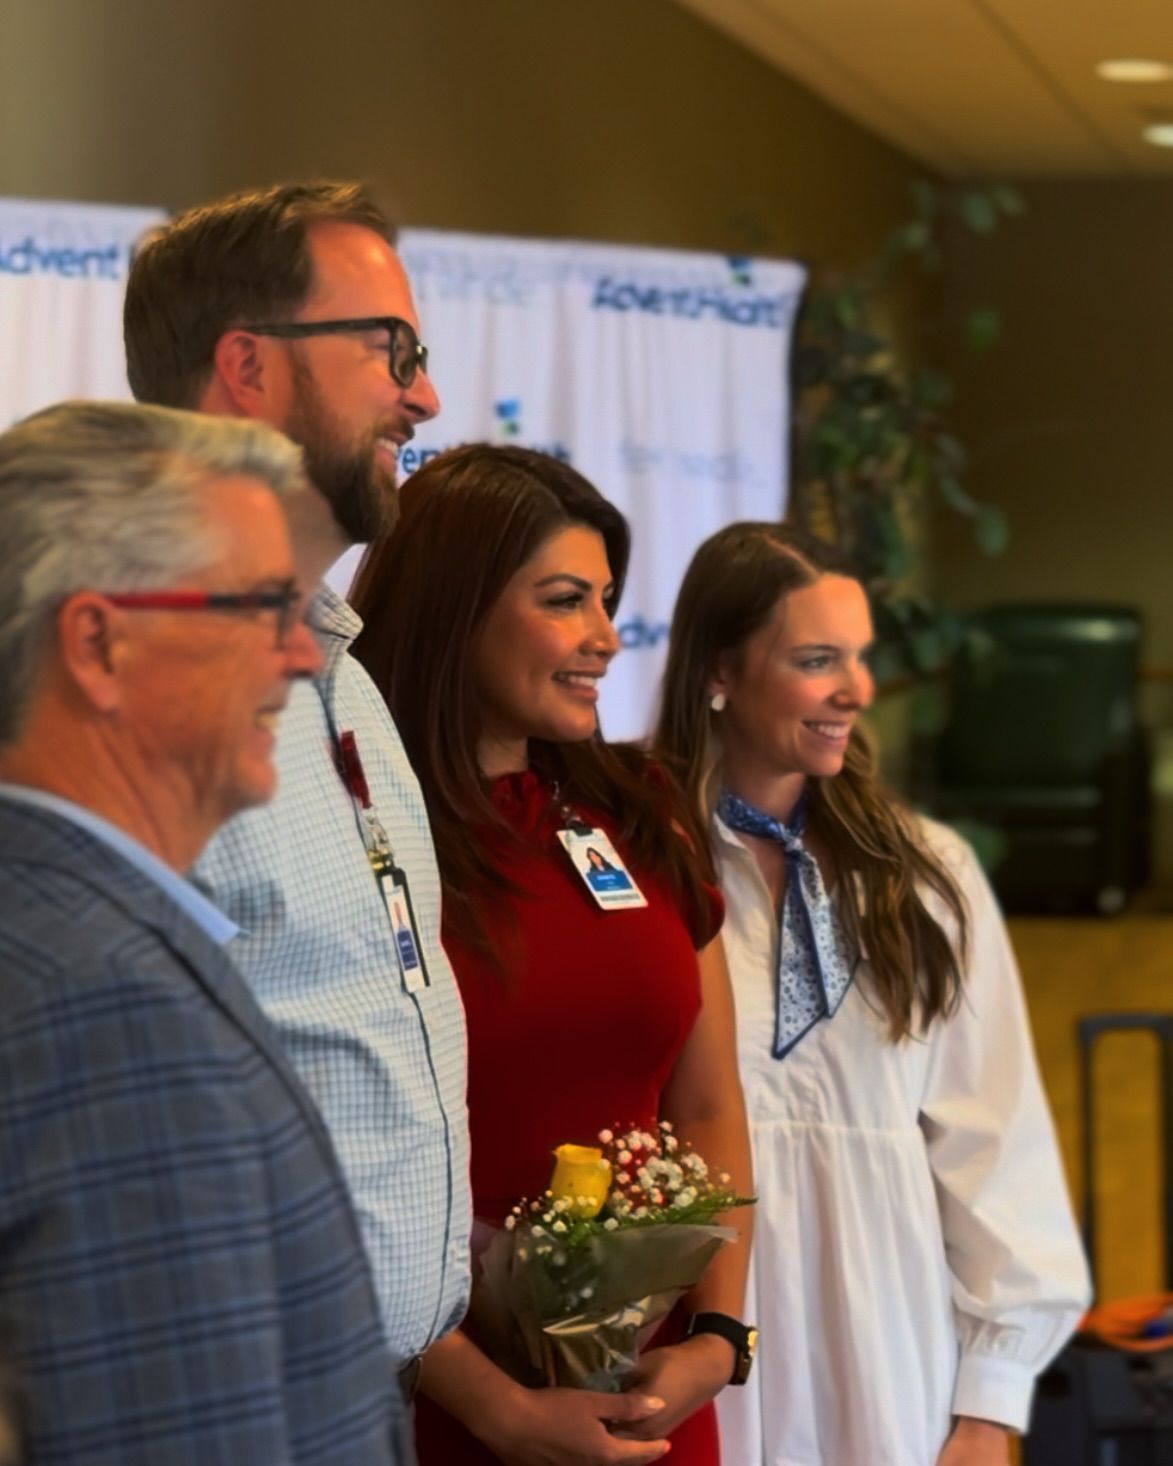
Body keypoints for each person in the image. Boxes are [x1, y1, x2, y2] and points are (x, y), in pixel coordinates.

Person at [0, 400, 409, 1463]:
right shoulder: (110, 1007)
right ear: (99, 642)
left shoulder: (64, 931)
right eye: (264, 606)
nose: (298, 657)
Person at [124, 181, 471, 1387]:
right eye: (390, 349)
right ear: (248, 367)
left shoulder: (350, 683)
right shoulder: (121, 693)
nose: (422, 395)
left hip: (361, 1393)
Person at [349, 444, 755, 1466]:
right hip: (431, 1404)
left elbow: (704, 1103)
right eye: (566, 600)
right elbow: (328, 1163)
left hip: (649, 1407)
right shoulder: (353, 835)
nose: (607, 638)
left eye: (608, 600)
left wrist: (714, 1337)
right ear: (456, 606)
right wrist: (494, 1404)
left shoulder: (642, 806)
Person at [654, 522, 1091, 1466]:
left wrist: (987, 1407)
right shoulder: (637, 855)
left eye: (858, 657)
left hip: (887, 1355)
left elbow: (993, 1141)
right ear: (719, 670)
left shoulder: (924, 873)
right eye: (817, 659)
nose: (856, 689)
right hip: (685, 1343)